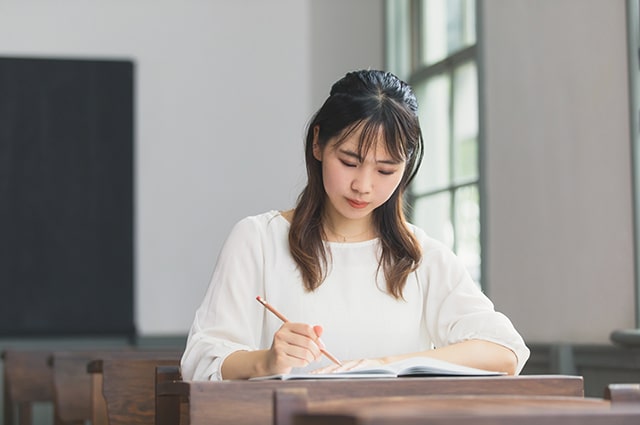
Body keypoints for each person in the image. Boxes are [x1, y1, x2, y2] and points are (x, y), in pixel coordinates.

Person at [180, 70, 529, 381]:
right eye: (349, 162)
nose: (363, 185)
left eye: (385, 170)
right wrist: (267, 361)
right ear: (318, 143)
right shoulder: (258, 240)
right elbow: (202, 360)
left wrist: (386, 364)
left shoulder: (421, 257)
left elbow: (505, 352)